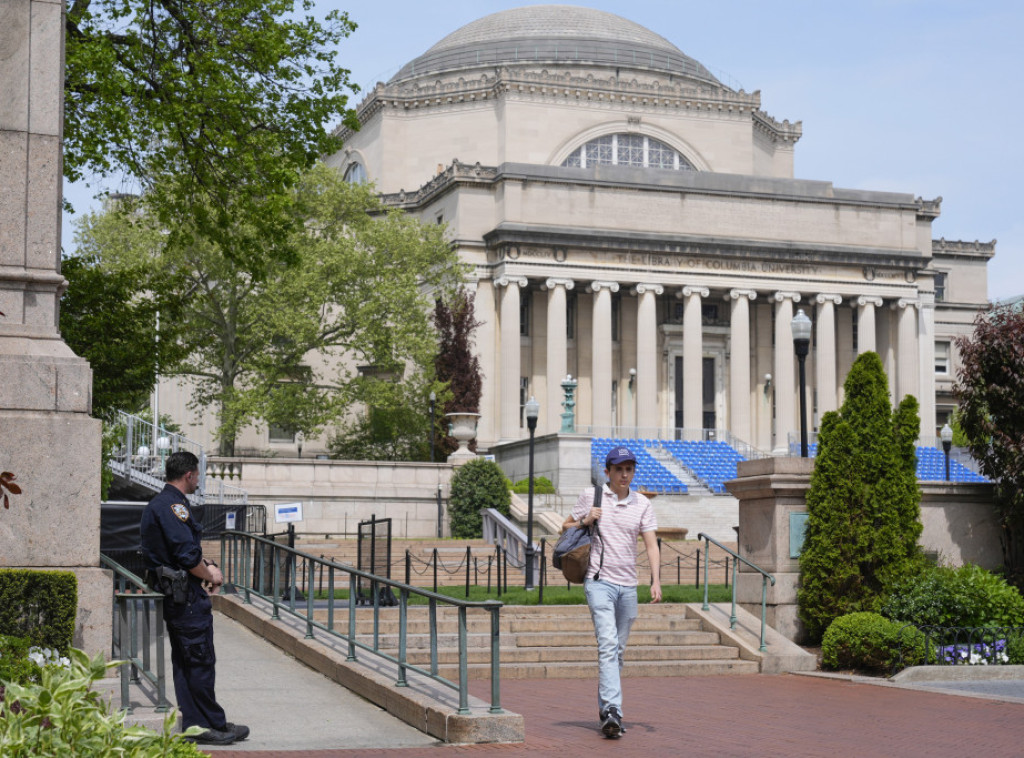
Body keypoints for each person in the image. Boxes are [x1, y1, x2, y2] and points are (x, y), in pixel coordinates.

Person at [140, 451, 249, 746]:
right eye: (197, 475)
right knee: (199, 662)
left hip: (180, 595)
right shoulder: (173, 506)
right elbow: (186, 555)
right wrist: (210, 575)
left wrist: (207, 566)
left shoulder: (161, 504)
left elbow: (186, 553)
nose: (198, 480)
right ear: (189, 474)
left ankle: (209, 721)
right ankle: (201, 725)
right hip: (184, 598)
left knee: (189, 662)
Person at [569, 446, 661, 738]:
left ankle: (605, 707)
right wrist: (586, 520)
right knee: (608, 644)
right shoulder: (592, 496)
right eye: (619, 469)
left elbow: (650, 544)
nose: (624, 474)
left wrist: (655, 580)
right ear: (607, 471)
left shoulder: (642, 504)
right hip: (599, 582)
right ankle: (613, 710)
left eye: (629, 469)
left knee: (617, 651)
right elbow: (565, 526)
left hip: (629, 587)